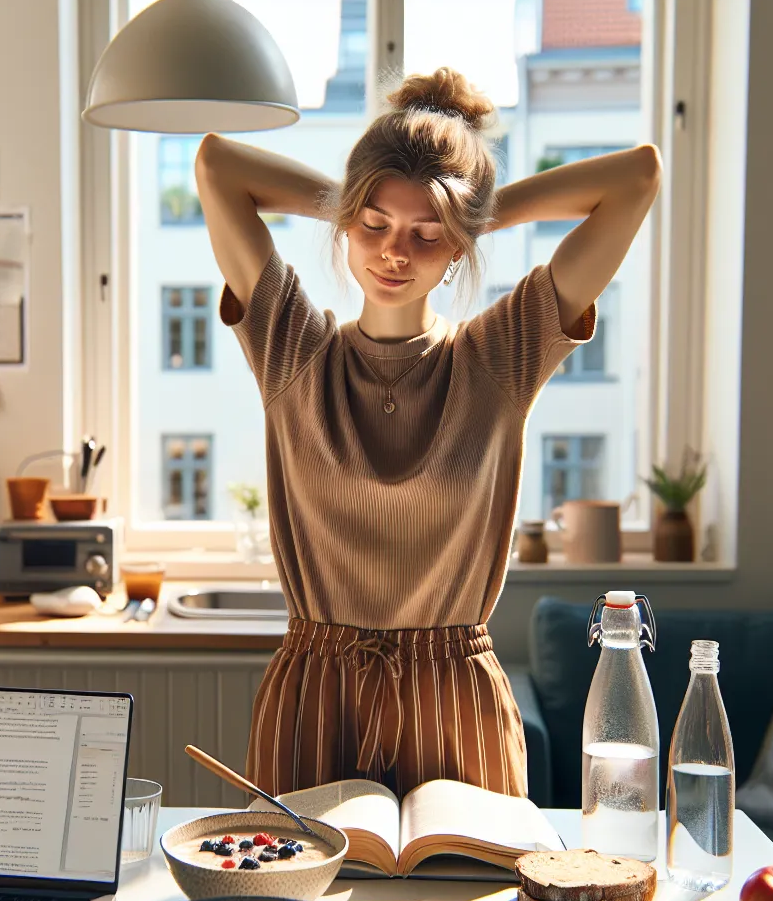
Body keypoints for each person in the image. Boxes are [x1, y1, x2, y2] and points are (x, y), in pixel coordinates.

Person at [195, 67, 660, 799]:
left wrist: (477, 211)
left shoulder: (502, 356)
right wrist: (353, 201)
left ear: (457, 252)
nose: (394, 253)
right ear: (348, 227)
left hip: (459, 697)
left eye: (427, 235)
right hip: (315, 693)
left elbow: (637, 177)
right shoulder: (293, 348)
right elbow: (218, 163)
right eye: (373, 225)